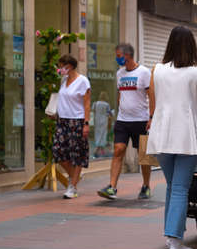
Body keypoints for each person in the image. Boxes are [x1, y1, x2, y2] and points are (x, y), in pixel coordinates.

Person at [147, 26, 197, 249]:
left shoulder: (157, 70)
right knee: (180, 188)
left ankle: (170, 236)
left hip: (162, 134)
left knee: (172, 185)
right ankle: (175, 242)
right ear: (192, 45)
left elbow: (153, 106)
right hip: (185, 135)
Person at [97, 43, 152, 200]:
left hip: (141, 120)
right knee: (118, 150)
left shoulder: (144, 73)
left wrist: (151, 117)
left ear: (128, 55)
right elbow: (120, 94)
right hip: (123, 120)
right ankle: (112, 187)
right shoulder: (120, 73)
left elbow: (151, 95)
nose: (117, 58)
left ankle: (146, 185)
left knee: (143, 155)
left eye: (119, 55)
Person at [53, 54, 91, 199]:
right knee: (58, 151)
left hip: (77, 120)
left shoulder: (82, 81)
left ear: (71, 66)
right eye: (60, 66)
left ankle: (72, 186)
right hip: (62, 120)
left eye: (63, 66)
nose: (61, 69)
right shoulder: (63, 80)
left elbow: (87, 103)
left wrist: (86, 123)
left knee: (77, 154)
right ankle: (74, 177)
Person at [92, 91, 111, 157]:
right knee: (103, 134)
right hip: (104, 121)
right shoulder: (107, 105)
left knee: (97, 134)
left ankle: (98, 149)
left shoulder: (95, 104)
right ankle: (101, 150)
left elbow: (93, 112)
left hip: (97, 121)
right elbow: (109, 114)